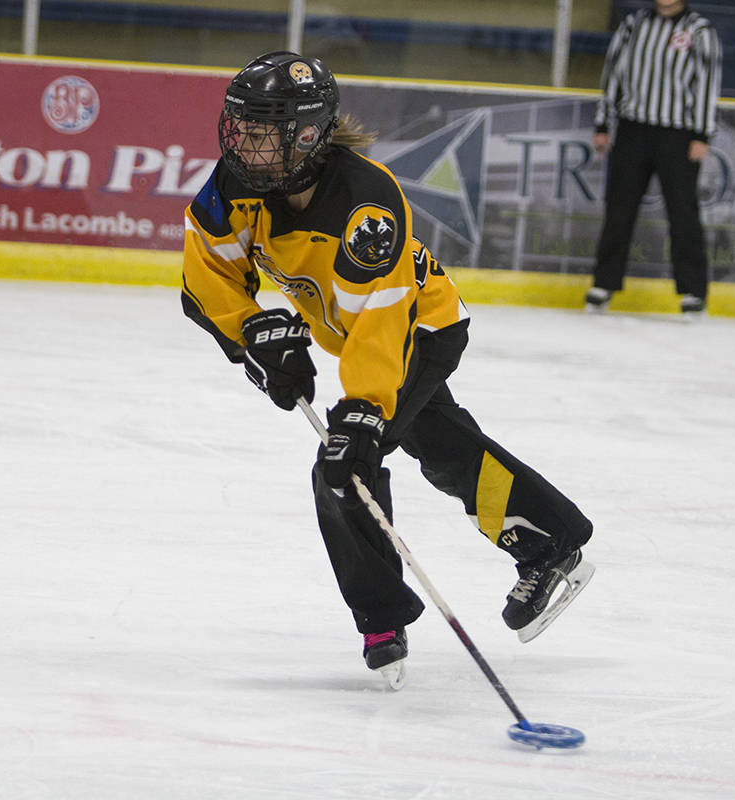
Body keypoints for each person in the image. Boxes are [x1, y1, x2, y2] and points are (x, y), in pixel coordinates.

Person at [181, 51, 593, 683]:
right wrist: (254, 333)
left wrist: (364, 412)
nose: (245, 144)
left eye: (264, 132)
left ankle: (381, 618)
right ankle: (551, 542)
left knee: (345, 466)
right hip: (364, 337)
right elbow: (205, 275)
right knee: (442, 445)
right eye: (241, 127)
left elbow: (383, 318)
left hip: (421, 331)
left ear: (309, 135)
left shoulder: (366, 204)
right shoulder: (238, 185)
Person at [586, 0, 723, 318]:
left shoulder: (699, 30)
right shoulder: (633, 25)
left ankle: (693, 291)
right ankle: (604, 284)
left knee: (683, 211)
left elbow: (706, 83)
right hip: (633, 129)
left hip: (678, 134)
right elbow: (613, 75)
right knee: (619, 207)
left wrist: (702, 134)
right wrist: (603, 123)